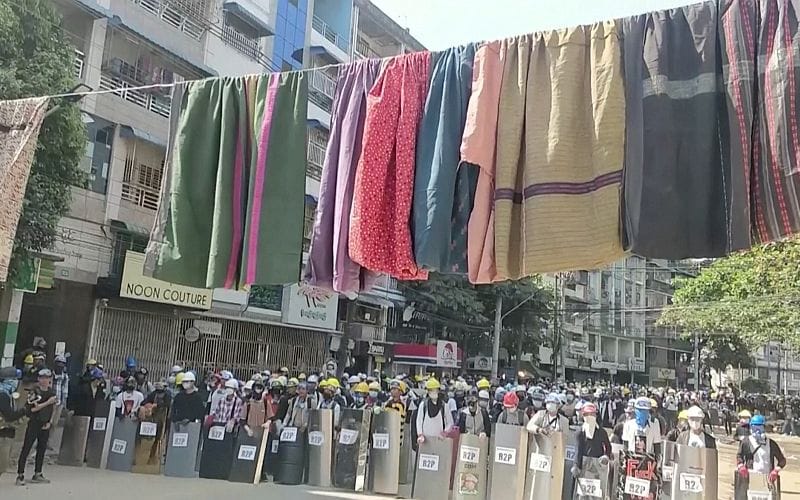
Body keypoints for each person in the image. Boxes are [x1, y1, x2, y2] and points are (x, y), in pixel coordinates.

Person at [16, 369, 57, 485]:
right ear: (38, 379)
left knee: (41, 449)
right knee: (27, 448)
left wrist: (50, 422)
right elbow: (33, 409)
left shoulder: (52, 392)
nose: (44, 380)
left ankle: (38, 473)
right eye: (42, 378)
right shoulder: (35, 392)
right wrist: (47, 402)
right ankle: (20, 475)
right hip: (34, 422)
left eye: (47, 378)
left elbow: (54, 407)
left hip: (45, 424)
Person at [736, 415, 786, 485]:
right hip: (750, 477)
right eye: (754, 428)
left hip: (768, 479)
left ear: (764, 428)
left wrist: (776, 470)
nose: (757, 431)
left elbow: (782, 460)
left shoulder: (771, 444)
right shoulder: (746, 442)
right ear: (751, 428)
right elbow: (739, 456)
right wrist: (741, 466)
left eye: (760, 428)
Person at [572, 403, 612, 477]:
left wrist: (606, 456)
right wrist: (576, 465)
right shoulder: (579, 432)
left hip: (598, 465)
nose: (589, 416)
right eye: (586, 414)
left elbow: (608, 446)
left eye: (592, 414)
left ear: (596, 415)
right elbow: (577, 450)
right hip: (583, 466)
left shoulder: (601, 432)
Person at [0, 366, 25, 478]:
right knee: (2, 465)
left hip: (6, 433)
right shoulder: (3, 395)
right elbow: (9, 416)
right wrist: (24, 411)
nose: (16, 382)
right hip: (3, 434)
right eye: (15, 379)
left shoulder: (8, 394)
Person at [416, 378, 454, 444]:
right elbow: (419, 421)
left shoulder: (444, 406)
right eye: (431, 390)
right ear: (428, 392)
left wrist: (445, 432)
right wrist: (420, 434)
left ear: (438, 391)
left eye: (435, 390)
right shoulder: (423, 405)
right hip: (425, 440)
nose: (433, 392)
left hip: (439, 440)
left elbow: (450, 422)